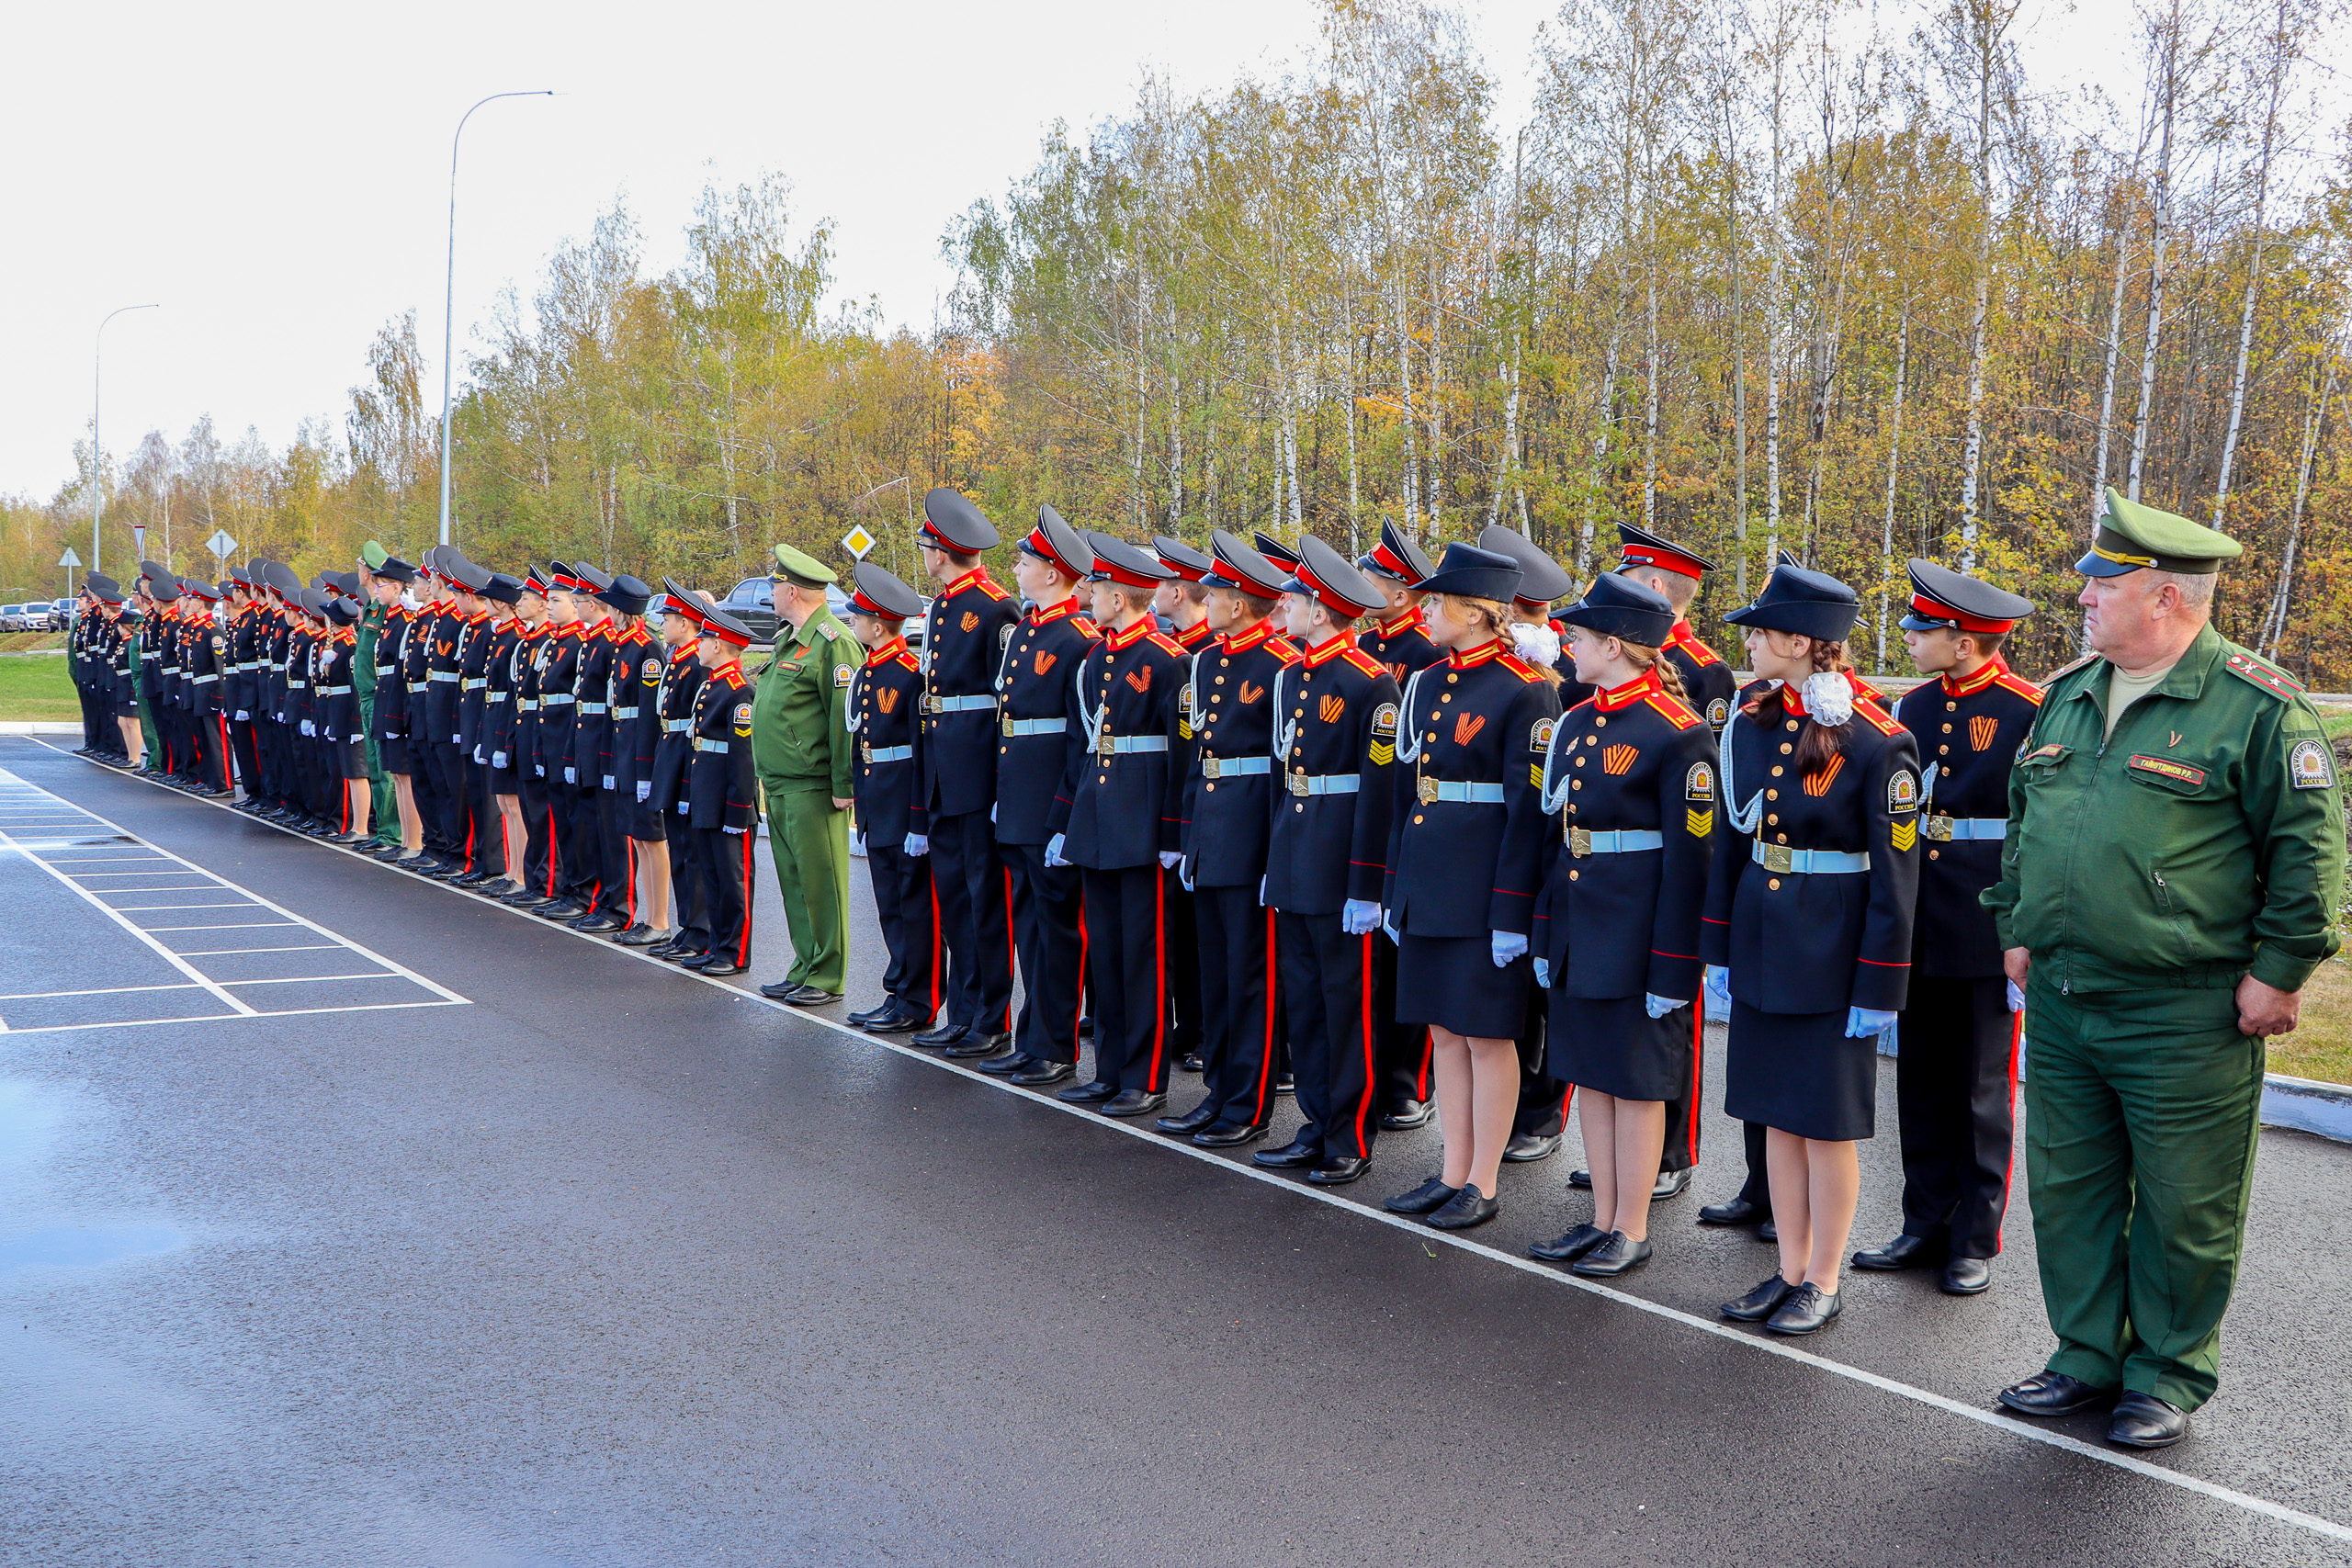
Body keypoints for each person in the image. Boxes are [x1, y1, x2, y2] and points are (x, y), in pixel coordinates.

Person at [1986, 488, 2345, 1450]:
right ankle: (2086, 1356)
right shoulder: (2070, 693)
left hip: (2182, 1009)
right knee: (2068, 1192)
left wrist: (2278, 971)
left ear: (2165, 598)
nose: (2084, 601)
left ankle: (2166, 1373)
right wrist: (2013, 924)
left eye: (2102, 586)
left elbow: (2308, 855)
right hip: (2063, 997)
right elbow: (2028, 823)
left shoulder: (2254, 707)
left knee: (2185, 1203)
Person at [1706, 564, 1920, 1337]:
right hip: (1766, 939)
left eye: (1760, 632)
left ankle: (1823, 1277)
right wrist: (1720, 948)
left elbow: (1897, 880)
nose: (1751, 644)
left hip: (1832, 950)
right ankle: (1789, 1267)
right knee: (1776, 1116)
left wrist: (1879, 987)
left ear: (1800, 641)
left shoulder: (1877, 738)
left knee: (1826, 1125)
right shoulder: (1757, 720)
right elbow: (1735, 844)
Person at [1850, 559, 2041, 1297]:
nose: (1910, 638)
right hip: (1920, 910)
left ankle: (1974, 1236)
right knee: (1921, 1078)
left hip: (1984, 914)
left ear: (1964, 640)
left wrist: (2020, 923)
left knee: (1980, 1086)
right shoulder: (1915, 707)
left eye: (1923, 629)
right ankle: (1923, 1220)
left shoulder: (2029, 710)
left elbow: (2034, 828)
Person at [1526, 574, 1713, 1278]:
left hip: (1637, 936)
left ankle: (1630, 1225)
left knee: (1634, 1083)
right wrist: (1547, 932)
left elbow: (1690, 862)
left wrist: (1673, 966)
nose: (1567, 646)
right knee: (1593, 1076)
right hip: (1580, 926)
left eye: (1578, 637)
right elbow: (1558, 838)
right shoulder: (1576, 720)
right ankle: (1602, 1216)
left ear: (1614, 644)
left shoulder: (1678, 731)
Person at [1379, 543, 1563, 1231]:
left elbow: (1528, 811)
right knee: (1444, 1032)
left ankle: (1482, 1181)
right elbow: (1409, 793)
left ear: (1480, 612)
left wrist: (1513, 911)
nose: (1425, 610)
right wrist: (1397, 887)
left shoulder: (1526, 687)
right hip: (1430, 880)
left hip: (1486, 888)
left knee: (1488, 1036)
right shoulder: (1427, 681)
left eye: (1436, 601)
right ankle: (1453, 1167)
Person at [1254, 536, 1401, 1185]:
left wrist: (1367, 883)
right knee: (1305, 1000)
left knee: (1350, 1004)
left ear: (1321, 610)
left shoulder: (1372, 681)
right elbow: (1281, 777)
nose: (1281, 602)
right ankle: (1314, 1120)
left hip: (1344, 860)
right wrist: (1274, 860)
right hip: (1296, 853)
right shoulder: (1290, 676)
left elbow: (1380, 791)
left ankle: (1351, 1133)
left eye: (1294, 595)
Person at [1610, 521, 1738, 1205]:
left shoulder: (1705, 669)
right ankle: (1624, 1156)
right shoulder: (1621, 652)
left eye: (1627, 577)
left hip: (1673, 855)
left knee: (1671, 1016)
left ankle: (1673, 1148)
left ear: (1654, 586)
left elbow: (1706, 785)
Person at [1158, 531, 1299, 1146]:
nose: (1204, 597)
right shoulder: (1208, 659)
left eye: (1213, 590)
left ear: (1239, 601)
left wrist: (1273, 850)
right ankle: (1219, 1090)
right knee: (1216, 971)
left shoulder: (1280, 666)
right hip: (1214, 827)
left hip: (1251, 831)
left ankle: (1249, 1101)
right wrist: (1188, 837)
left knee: (1251, 974)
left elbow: (1278, 769)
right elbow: (1198, 758)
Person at [1050, 533, 1186, 1116]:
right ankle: (1109, 1070)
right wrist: (1064, 822)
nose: (1089, 595)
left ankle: (1145, 1075)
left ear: (1123, 596)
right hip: (1100, 820)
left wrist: (1173, 833)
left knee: (1143, 954)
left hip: (1142, 822)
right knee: (1105, 952)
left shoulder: (1166, 661)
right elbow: (1081, 748)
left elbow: (1182, 758)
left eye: (1098, 587)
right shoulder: (1095, 658)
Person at [1476, 524, 1584, 1167]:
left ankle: (1544, 1109)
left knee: (1547, 991)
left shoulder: (1565, 663)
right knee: (1508, 989)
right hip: (1510, 842)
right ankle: (1510, 1105)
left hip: (1557, 845)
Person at [985, 505, 1102, 1084]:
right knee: (1029, 923)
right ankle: (1033, 1036)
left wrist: (1062, 815)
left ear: (1053, 573)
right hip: (1019, 797)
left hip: (1050, 799)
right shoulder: (1028, 628)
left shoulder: (1077, 638)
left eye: (1026, 560)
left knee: (1057, 927)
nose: (1017, 566)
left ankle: (1057, 1044)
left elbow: (1078, 739)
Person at [912, 490, 1020, 1053]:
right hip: (942, 763)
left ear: (944, 551)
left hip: (975, 767)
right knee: (953, 893)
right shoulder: (941, 606)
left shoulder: (995, 607)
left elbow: (1002, 701)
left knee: (984, 896)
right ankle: (963, 1009)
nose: (925, 554)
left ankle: (991, 1017)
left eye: (928, 545)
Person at [1356, 519, 1442, 1133]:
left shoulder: (1428, 654)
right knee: (1371, 964)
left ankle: (1409, 1081)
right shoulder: (1365, 650)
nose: (1362, 585)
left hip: (1410, 817)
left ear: (1402, 592)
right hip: (1368, 817)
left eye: (1374, 577)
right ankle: (1376, 1070)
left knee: (1406, 960)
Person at [752, 543, 858, 1009]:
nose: (771, 592)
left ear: (791, 591)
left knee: (822, 882)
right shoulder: (787, 639)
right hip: (778, 782)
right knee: (795, 882)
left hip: (812, 785)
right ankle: (805, 964)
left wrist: (844, 785)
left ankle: (828, 973)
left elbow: (844, 719)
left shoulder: (834, 642)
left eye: (775, 585)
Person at [841, 561, 939, 1033]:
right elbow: (863, 747)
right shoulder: (871, 670)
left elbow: (920, 753)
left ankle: (918, 998)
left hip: (902, 803)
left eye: (858, 616)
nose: (853, 622)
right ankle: (898, 988)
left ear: (878, 625)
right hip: (878, 801)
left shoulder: (907, 674)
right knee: (889, 904)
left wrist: (917, 819)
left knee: (912, 903)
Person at [1152, 535, 1216, 1079]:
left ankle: (1199, 1028)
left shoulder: (1192, 656)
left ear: (1178, 590)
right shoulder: (1186, 651)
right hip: (1185, 806)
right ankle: (1188, 1023)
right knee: (1180, 929)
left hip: (1207, 810)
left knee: (1199, 935)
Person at [684, 602, 762, 976]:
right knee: (712, 876)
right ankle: (717, 945)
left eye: (704, 639)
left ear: (719, 645)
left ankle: (735, 951)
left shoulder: (737, 691)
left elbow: (743, 758)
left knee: (734, 880)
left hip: (728, 800)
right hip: (707, 794)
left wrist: (737, 808)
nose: (698, 645)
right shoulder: (712, 684)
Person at [647, 580, 715, 963]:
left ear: (686, 623)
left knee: (692, 851)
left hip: (685, 757)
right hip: (670, 754)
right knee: (679, 845)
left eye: (669, 618)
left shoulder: (694, 663)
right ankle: (688, 925)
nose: (664, 624)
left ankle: (700, 928)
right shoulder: (678, 659)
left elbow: (696, 721)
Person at [601, 576, 668, 943]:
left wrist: (644, 769)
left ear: (620, 610)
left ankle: (659, 920)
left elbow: (647, 714)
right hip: (623, 750)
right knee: (638, 839)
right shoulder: (622, 646)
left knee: (651, 837)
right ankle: (648, 916)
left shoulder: (647, 649)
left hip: (639, 753)